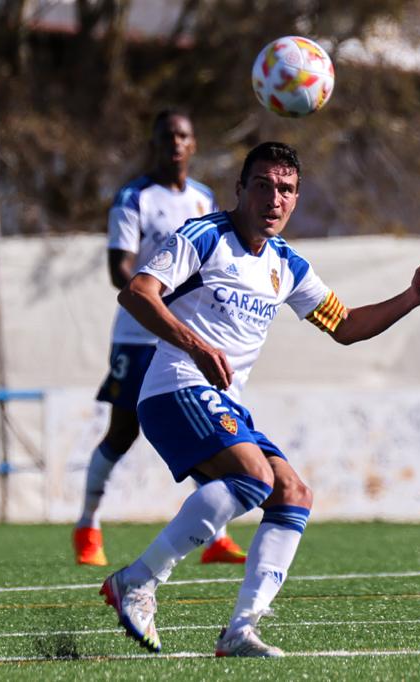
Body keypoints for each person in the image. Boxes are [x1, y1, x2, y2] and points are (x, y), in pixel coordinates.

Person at [99, 141, 420, 657]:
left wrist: (411, 297)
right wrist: (196, 345)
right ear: (241, 190)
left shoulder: (287, 265)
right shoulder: (204, 236)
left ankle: (240, 630)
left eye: (286, 189)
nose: (275, 198)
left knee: (292, 493)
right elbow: (137, 292)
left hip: (225, 404)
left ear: (296, 198)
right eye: (264, 185)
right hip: (175, 388)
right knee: (255, 477)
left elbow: (345, 325)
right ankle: (137, 582)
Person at [74, 109, 248, 566]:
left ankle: (218, 538)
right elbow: (120, 269)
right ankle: (88, 525)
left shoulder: (204, 198)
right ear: (155, 143)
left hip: (187, 334)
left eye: (184, 135)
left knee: (203, 428)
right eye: (167, 135)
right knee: (123, 431)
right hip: (138, 335)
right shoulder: (134, 198)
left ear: (194, 145)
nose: (175, 143)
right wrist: (157, 299)